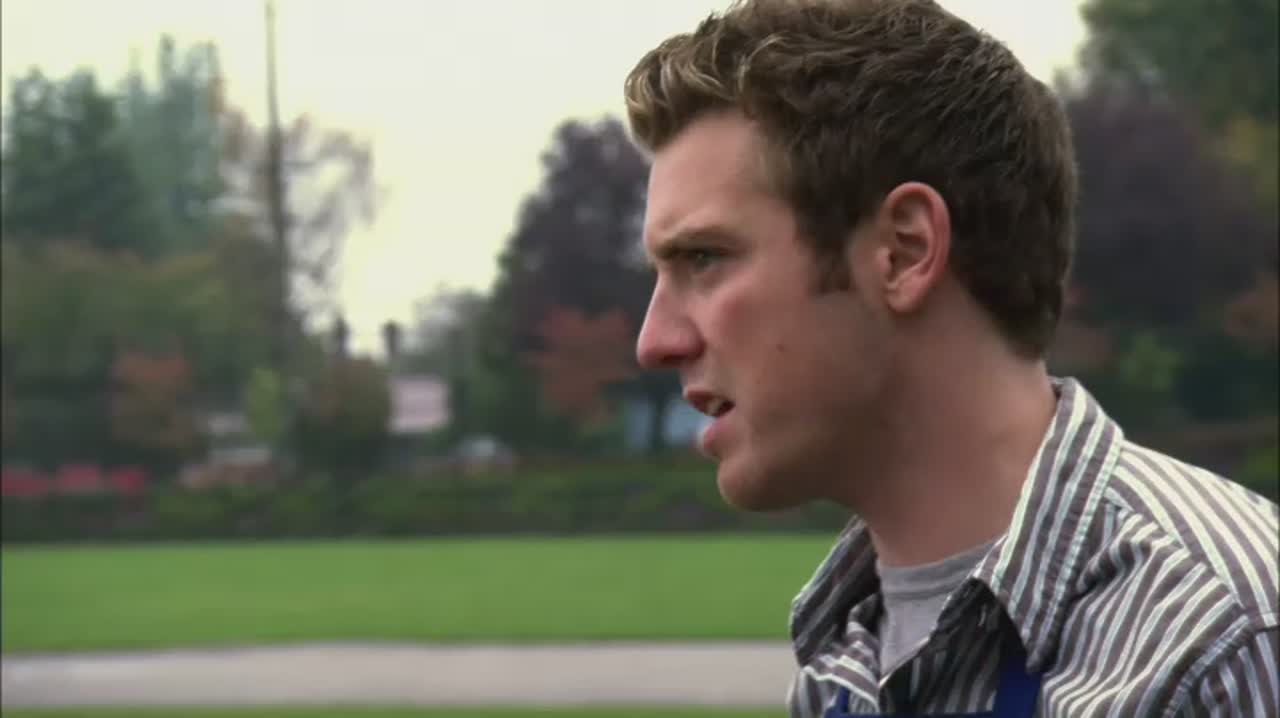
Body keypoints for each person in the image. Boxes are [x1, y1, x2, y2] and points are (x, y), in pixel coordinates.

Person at [623, 0, 1280, 715]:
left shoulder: (1222, 638)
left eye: (705, 258)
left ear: (904, 251)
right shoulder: (841, 669)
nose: (655, 341)